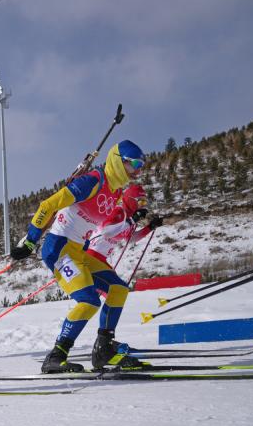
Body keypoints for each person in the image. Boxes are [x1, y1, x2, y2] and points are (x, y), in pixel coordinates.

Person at [11, 141, 148, 373]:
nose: (137, 170)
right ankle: (56, 356)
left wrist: (133, 220)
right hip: (58, 248)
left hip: (78, 251)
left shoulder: (115, 191)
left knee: (118, 290)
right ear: (118, 159)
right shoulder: (93, 181)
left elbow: (102, 226)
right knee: (88, 301)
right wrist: (31, 240)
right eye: (133, 163)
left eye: (141, 166)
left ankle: (104, 350)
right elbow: (49, 204)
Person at [83, 184, 163, 366]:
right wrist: (132, 220)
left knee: (116, 294)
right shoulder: (119, 212)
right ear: (130, 199)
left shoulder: (127, 217)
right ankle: (103, 345)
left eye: (144, 202)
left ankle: (105, 342)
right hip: (90, 257)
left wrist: (149, 227)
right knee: (116, 291)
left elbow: (131, 238)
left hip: (100, 260)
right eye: (139, 201)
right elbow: (105, 230)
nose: (142, 205)